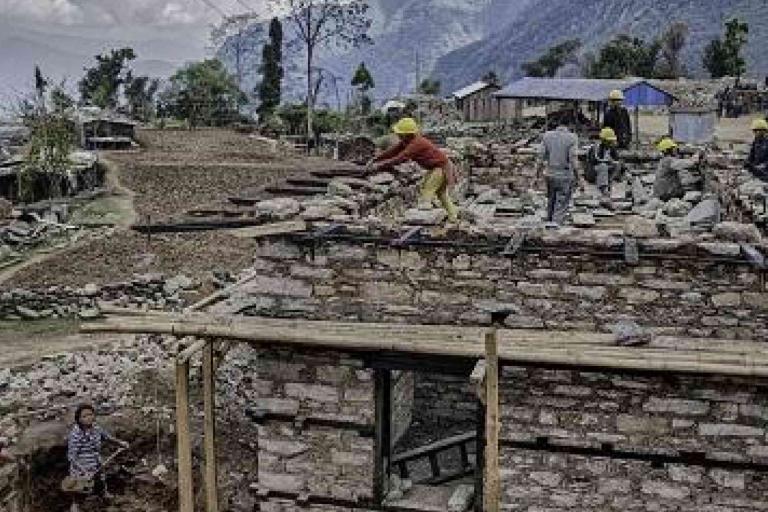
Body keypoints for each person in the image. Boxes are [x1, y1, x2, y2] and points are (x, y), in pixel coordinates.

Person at [369, 117, 458, 222]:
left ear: (406, 134)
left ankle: (423, 218)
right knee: (441, 194)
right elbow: (393, 151)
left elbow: (401, 157)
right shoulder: (406, 142)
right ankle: (453, 217)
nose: (397, 135)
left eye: (399, 133)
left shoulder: (416, 143)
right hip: (438, 167)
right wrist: (376, 159)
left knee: (427, 190)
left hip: (440, 168)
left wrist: (379, 166)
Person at [67, 404, 128, 511]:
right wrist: (84, 470)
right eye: (84, 416)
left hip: (96, 463)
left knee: (100, 481)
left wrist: (121, 443)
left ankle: (104, 494)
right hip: (81, 467)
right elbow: (71, 456)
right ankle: (76, 504)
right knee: (79, 488)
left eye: (90, 414)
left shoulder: (96, 428)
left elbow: (108, 438)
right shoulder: (75, 434)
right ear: (79, 419)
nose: (88, 418)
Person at [538, 123, 579, 225]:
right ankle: (555, 228)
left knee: (551, 201)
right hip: (564, 175)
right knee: (561, 204)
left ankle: (548, 222)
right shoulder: (572, 138)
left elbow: (541, 157)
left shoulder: (547, 136)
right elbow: (573, 159)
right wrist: (578, 177)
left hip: (550, 174)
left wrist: (536, 174)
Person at [587, 128, 622, 197]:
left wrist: (615, 163)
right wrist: (608, 161)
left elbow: (617, 159)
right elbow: (595, 160)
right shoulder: (596, 147)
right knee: (603, 166)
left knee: (617, 165)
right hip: (593, 172)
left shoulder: (611, 148)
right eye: (609, 141)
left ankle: (610, 180)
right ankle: (603, 188)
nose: (610, 143)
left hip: (605, 171)